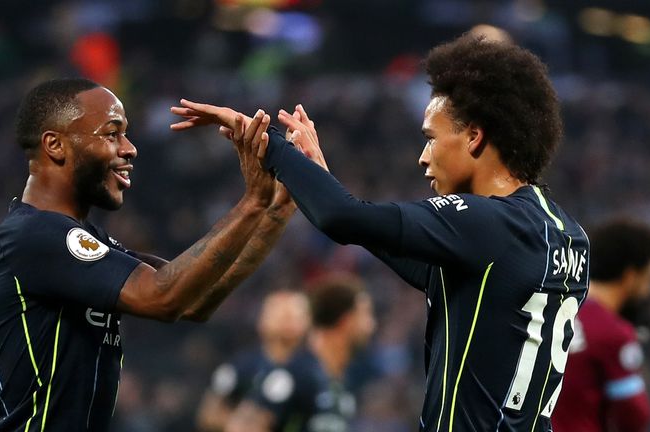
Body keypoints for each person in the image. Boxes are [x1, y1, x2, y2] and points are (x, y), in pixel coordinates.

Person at [172, 33, 589, 431]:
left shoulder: (488, 222)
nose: (424, 157)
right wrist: (322, 178)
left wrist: (270, 144)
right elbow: (382, 237)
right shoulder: (566, 236)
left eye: (431, 138)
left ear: (475, 137)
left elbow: (342, 218)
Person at [0, 78, 295, 431]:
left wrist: (274, 210)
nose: (129, 149)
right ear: (55, 145)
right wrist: (252, 203)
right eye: (112, 134)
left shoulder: (81, 241)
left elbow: (193, 299)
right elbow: (163, 296)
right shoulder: (32, 236)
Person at [225, 273, 376, 432]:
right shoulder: (297, 374)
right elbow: (242, 428)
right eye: (366, 315)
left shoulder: (341, 382)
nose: (371, 325)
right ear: (346, 321)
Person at [552, 218, 650, 432]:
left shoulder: (555, 302)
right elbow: (635, 414)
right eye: (648, 280)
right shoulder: (613, 332)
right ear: (630, 277)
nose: (648, 292)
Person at [196, 289, 311, 431]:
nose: (287, 319)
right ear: (262, 320)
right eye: (280, 312)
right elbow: (208, 414)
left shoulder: (314, 369)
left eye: (295, 314)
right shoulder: (242, 365)